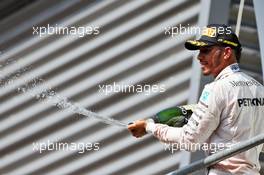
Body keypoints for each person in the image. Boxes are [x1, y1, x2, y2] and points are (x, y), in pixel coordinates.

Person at [127, 24, 264, 175]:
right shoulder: (259, 88)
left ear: (226, 53)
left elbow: (190, 140)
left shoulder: (215, 89)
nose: (199, 57)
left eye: (206, 50)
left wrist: (149, 126)